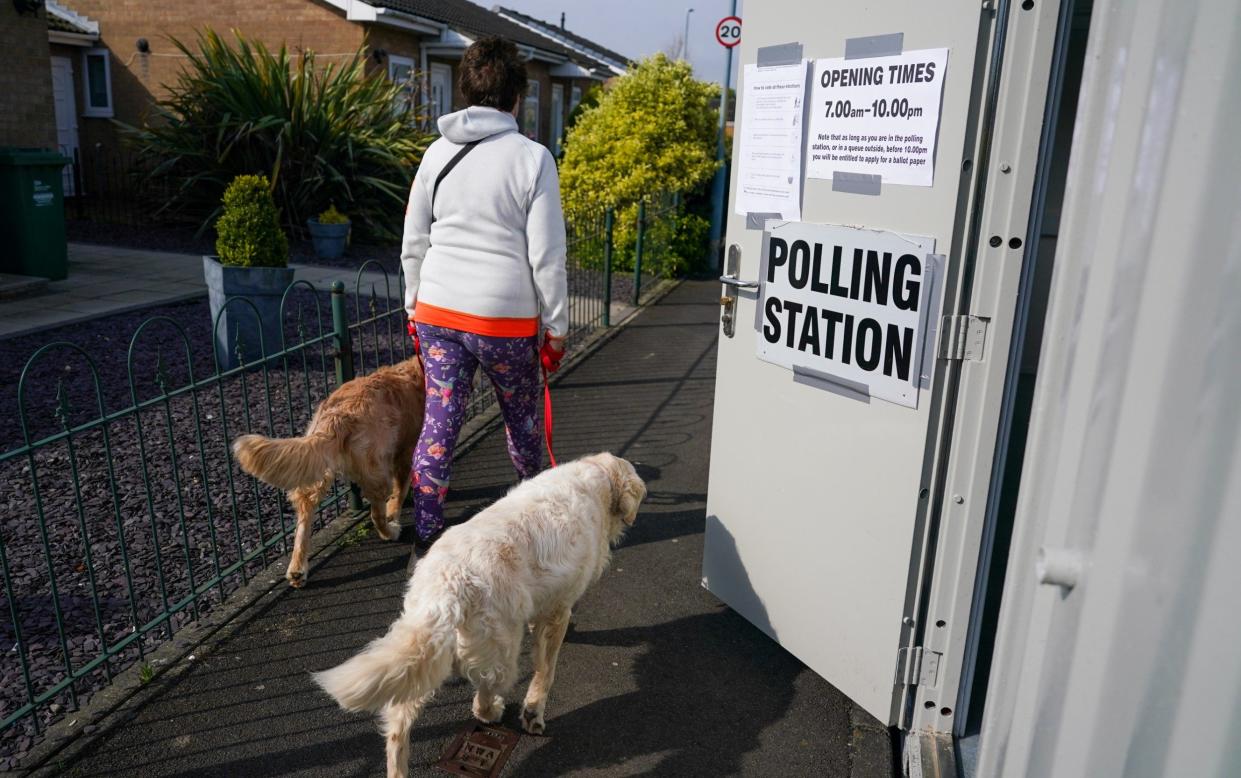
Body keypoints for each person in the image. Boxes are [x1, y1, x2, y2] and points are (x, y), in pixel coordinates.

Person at [401, 36, 568, 545]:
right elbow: (547, 255)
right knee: (521, 423)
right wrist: (556, 328)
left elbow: (413, 240)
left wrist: (413, 308)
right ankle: (530, 529)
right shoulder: (533, 159)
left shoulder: (436, 153)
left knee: (440, 422)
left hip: (438, 313)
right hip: (504, 320)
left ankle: (428, 538)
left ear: (464, 90)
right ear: (516, 98)